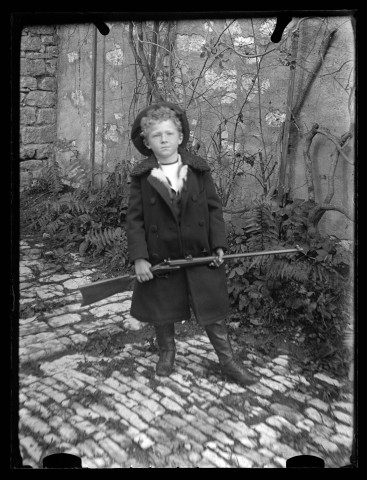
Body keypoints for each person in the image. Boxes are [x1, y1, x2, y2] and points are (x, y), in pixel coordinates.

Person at [127, 101, 257, 386]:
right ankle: (167, 351)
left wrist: (219, 244)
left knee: (211, 307)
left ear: (180, 137)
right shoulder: (142, 178)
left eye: (169, 134)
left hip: (200, 251)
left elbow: (214, 210)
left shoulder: (198, 170)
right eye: (156, 136)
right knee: (162, 305)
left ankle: (227, 360)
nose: (164, 140)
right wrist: (140, 258)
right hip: (161, 255)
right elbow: (134, 220)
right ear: (147, 142)